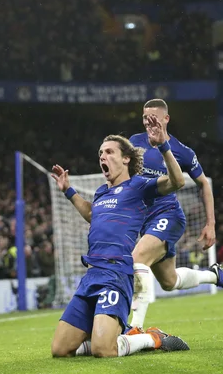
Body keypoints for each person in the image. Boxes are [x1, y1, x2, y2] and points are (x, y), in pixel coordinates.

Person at [50, 116, 190, 358]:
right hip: (91, 275)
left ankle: (152, 338)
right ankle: (103, 335)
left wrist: (164, 145)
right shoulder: (102, 192)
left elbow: (177, 181)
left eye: (109, 152)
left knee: (104, 351)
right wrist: (68, 191)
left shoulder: (139, 187)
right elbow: (92, 213)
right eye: (100, 153)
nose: (102, 156)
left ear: (126, 158)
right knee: (60, 350)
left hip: (115, 275)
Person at [128, 99, 223, 331]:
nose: (149, 123)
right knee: (169, 282)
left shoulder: (182, 152)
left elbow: (204, 185)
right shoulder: (133, 143)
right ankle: (213, 276)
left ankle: (134, 329)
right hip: (144, 221)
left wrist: (211, 224)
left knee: (137, 259)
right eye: (145, 118)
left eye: (153, 118)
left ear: (166, 119)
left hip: (168, 216)